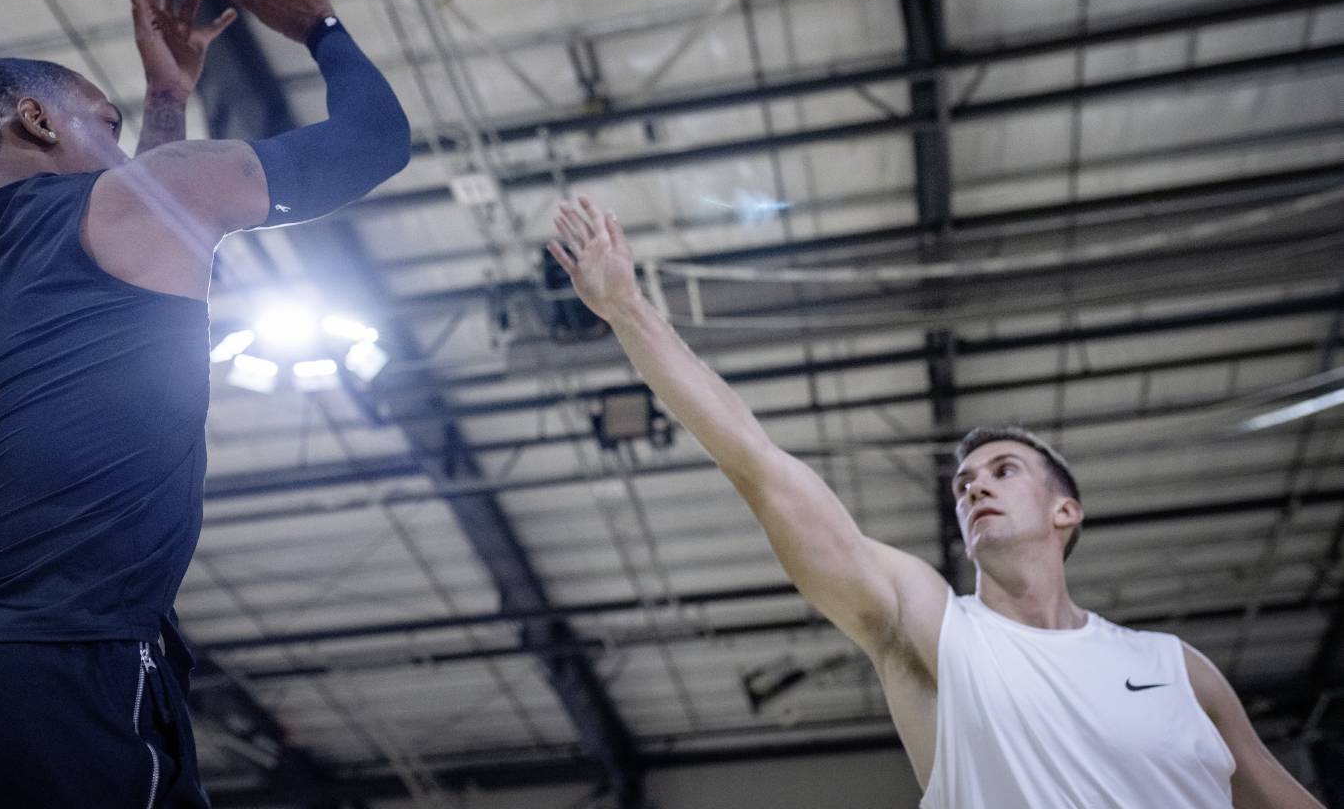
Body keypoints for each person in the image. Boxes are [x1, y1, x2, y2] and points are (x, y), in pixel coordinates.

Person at [0, 0, 410, 808]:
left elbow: (137, 264)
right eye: (107, 119)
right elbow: (374, 143)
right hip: (45, 686)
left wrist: (167, 101)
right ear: (39, 119)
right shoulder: (135, 204)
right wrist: (315, 19)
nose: (126, 146)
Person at [547, 196, 1321, 808]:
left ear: (1066, 512)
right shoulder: (933, 627)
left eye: (1004, 470)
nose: (975, 484)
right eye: (963, 483)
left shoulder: (1176, 668)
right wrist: (628, 312)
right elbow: (761, 465)